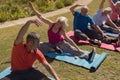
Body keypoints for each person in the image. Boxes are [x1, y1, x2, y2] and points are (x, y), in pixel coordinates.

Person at [29, 1, 96, 61]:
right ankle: (55, 50)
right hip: (52, 44)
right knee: (39, 44)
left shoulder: (61, 30)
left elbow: (69, 40)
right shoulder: (51, 24)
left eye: (61, 23)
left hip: (60, 43)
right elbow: (40, 16)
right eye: (59, 21)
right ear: (57, 20)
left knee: (71, 50)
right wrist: (32, 7)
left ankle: (87, 56)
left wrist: (78, 49)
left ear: (62, 25)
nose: (58, 23)